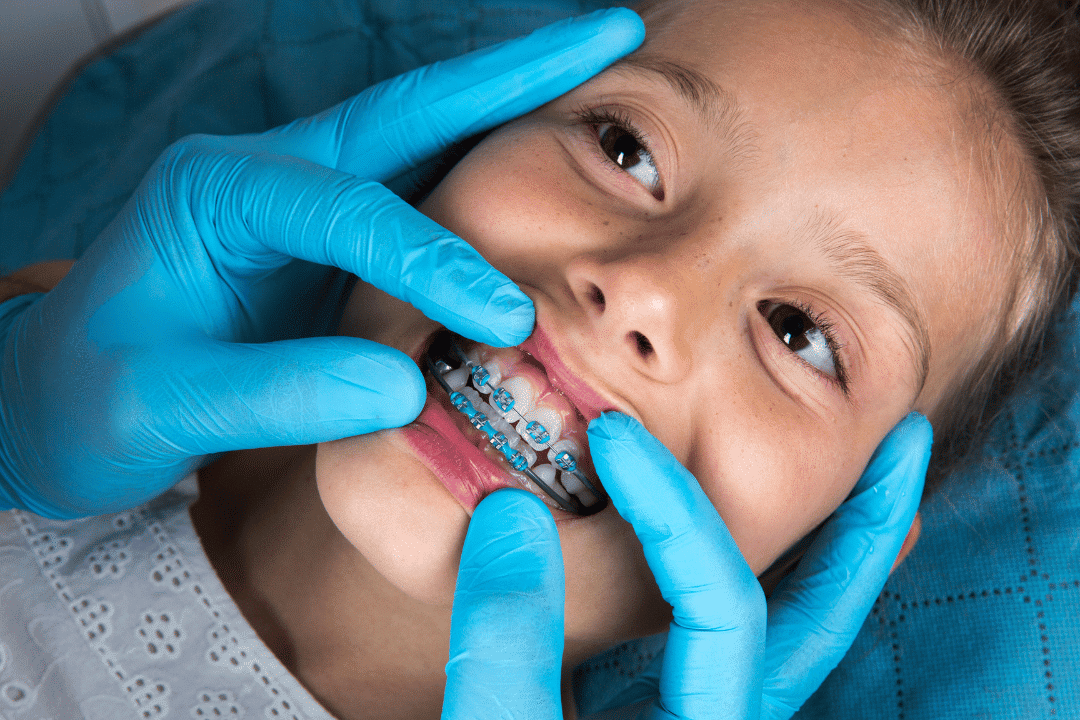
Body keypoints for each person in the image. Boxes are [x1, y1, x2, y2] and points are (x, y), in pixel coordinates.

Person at [0, 0, 1076, 719]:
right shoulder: (54, 350)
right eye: (626, 148)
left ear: (837, 540)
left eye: (799, 333)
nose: (648, 287)